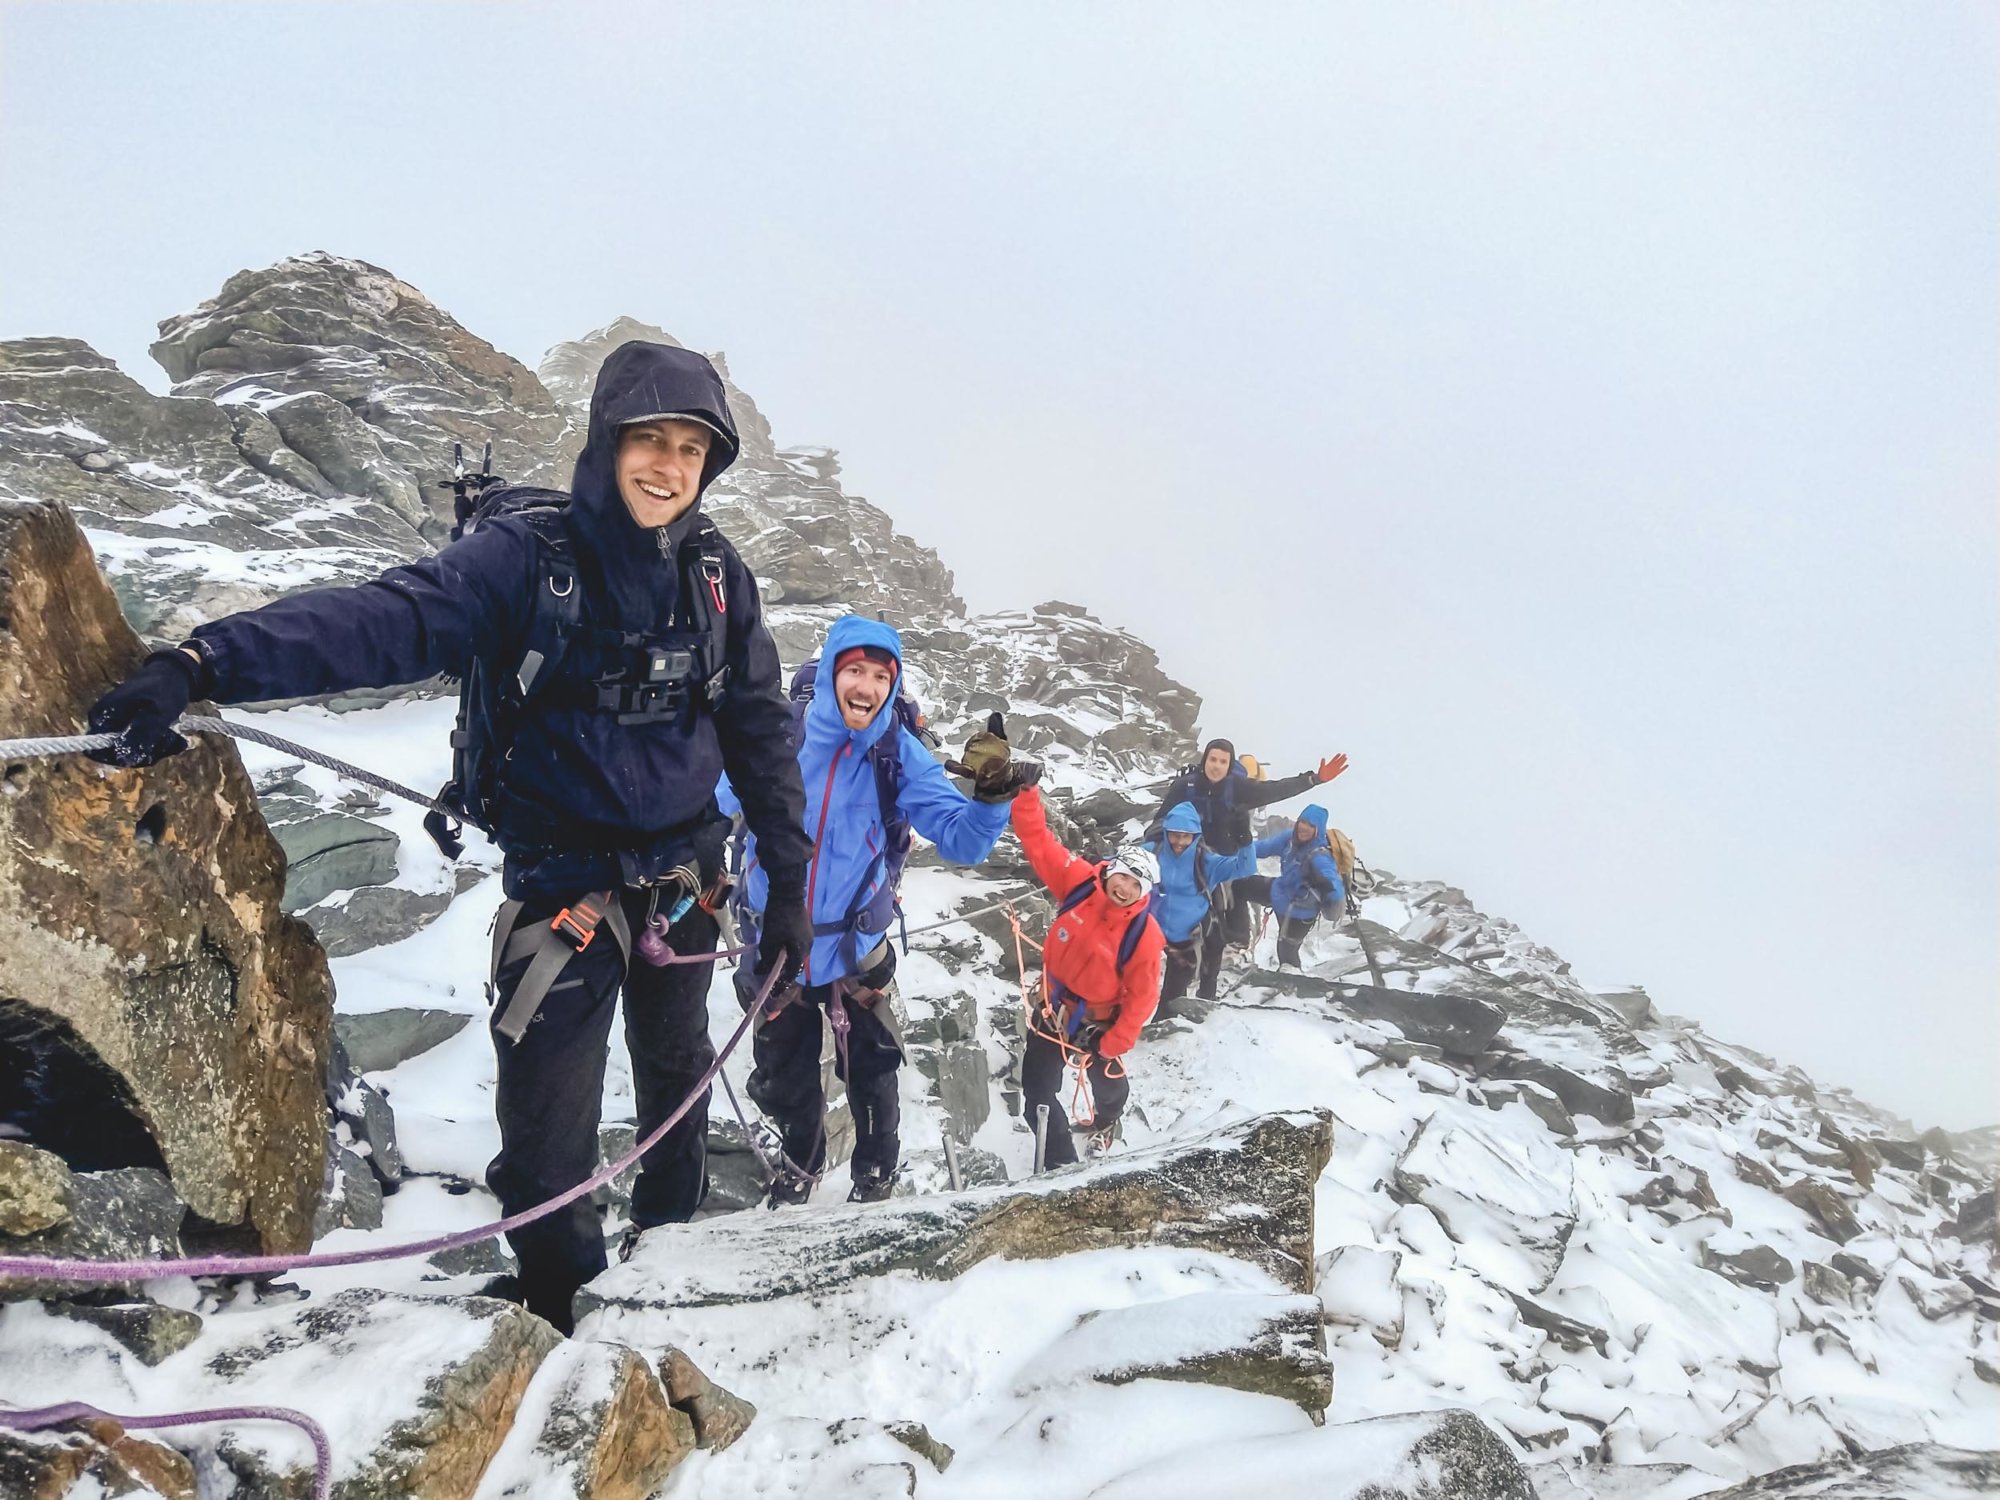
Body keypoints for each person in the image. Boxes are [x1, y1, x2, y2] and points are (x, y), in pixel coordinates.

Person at [84, 341, 815, 1333]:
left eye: (691, 449)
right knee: (543, 1133)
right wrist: (203, 660)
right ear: (605, 443)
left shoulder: (717, 580)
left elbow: (759, 729)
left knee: (677, 1066)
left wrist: (790, 887)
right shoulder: (527, 561)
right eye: (649, 439)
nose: (668, 466)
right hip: (564, 888)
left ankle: (667, 1256)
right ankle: (562, 1309)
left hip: (687, 874)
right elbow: (385, 620)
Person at [722, 615, 1038, 1205]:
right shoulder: (779, 738)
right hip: (774, 945)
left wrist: (992, 800)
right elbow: (711, 804)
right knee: (784, 1078)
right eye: (854, 671)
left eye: (878, 676)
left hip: (854, 950)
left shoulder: (899, 754)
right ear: (832, 675)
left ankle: (874, 1175)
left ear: (891, 686)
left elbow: (963, 843)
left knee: (870, 1075)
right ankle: (801, 1165)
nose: (865, 686)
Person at [1010, 785, 1164, 1167]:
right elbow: (1039, 842)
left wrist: (1114, 1042)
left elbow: (1143, 997)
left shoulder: (1143, 936)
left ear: (1144, 893)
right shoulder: (1079, 884)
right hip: (1053, 1011)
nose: (1125, 888)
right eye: (1124, 876)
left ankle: (1108, 1120)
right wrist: (1025, 794)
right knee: (1038, 1094)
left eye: (1136, 885)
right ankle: (1059, 1162)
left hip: (1100, 1024)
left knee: (1108, 1083)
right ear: (1112, 868)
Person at [1152, 738, 1347, 996]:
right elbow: (1160, 820)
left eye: (1223, 761)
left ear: (1229, 764)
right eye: (1213, 759)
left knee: (1215, 930)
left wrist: (1313, 779)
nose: (1217, 766)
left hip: (1222, 867)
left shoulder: (1238, 788)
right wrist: (1154, 850)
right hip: (1187, 862)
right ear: (1205, 760)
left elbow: (1275, 789)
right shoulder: (1185, 786)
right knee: (1181, 920)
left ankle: (1209, 986)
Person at [1146, 802, 1291, 1008]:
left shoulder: (1205, 860)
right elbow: (1120, 863)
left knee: (1172, 1001)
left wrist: (1245, 841)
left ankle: (1177, 1024)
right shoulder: (1154, 852)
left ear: (1195, 836)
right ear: (1166, 832)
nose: (1179, 842)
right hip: (1151, 935)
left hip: (1186, 940)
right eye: (1175, 835)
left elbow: (1244, 867)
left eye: (1186, 836)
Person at [1234, 804, 1347, 969]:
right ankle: (1238, 938)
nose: (1304, 827)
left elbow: (1335, 891)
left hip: (1299, 913)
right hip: (1280, 892)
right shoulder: (1290, 839)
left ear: (1319, 830)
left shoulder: (1320, 857)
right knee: (1237, 886)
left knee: (1287, 953)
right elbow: (1263, 847)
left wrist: (1327, 888)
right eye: (1302, 821)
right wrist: (1233, 851)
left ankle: (1291, 986)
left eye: (1311, 825)